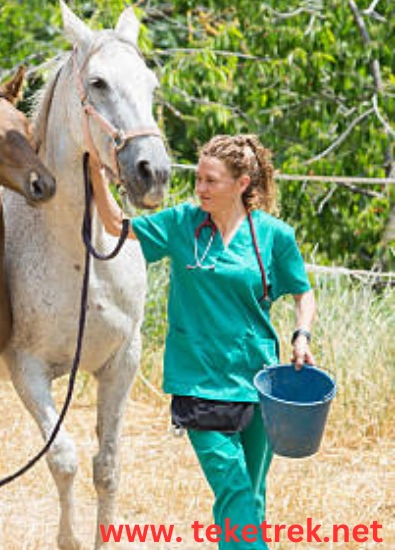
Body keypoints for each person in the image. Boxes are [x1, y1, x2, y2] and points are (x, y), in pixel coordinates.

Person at [88, 134, 317, 549]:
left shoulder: (274, 236)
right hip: (199, 383)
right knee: (232, 488)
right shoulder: (181, 224)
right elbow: (115, 226)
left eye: (211, 181)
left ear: (242, 183)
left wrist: (301, 335)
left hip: (260, 383)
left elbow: (304, 292)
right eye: (198, 178)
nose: (201, 188)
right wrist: (94, 172)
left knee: (251, 495)